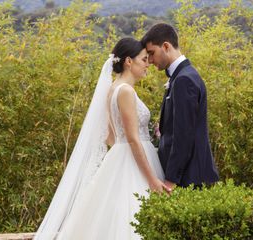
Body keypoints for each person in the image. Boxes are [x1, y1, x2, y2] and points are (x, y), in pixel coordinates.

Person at [34, 38, 169, 240]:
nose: (148, 63)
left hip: (120, 158)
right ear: (128, 62)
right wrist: (151, 180)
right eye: (143, 59)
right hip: (134, 159)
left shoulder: (113, 89)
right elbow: (132, 139)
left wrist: (117, 161)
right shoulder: (126, 91)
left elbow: (110, 137)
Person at [141, 23, 219, 190]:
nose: (151, 60)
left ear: (166, 46)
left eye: (152, 53)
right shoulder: (182, 76)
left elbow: (183, 136)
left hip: (189, 177)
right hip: (187, 175)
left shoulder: (184, 80)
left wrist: (171, 180)